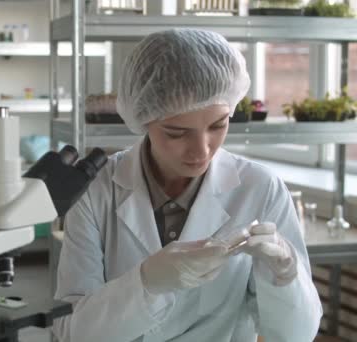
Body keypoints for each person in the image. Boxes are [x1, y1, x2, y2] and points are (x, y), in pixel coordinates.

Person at [52, 29, 322, 341]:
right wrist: (147, 284)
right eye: (177, 133)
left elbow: (296, 335)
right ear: (143, 117)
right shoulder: (96, 191)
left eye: (218, 125)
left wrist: (285, 276)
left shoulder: (260, 188)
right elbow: (72, 332)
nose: (202, 150)